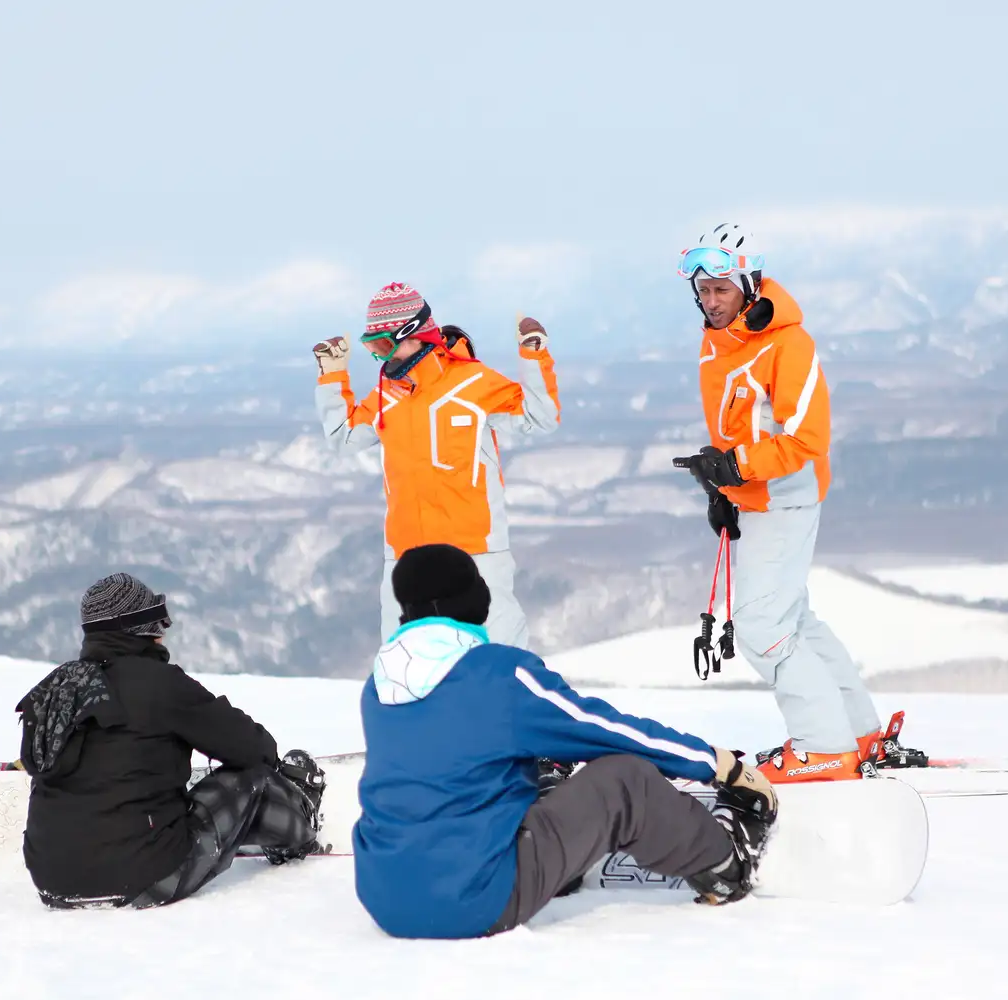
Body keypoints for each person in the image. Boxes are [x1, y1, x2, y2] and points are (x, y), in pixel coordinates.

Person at [352, 543, 777, 939]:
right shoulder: (499, 674)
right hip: (475, 903)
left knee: (530, 780)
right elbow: (603, 730)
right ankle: (724, 865)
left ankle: (559, 870)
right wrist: (714, 763)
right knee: (624, 781)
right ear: (464, 602)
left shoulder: (378, 686)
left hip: (383, 899)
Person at [672, 223, 926, 782]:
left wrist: (736, 468)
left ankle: (823, 747)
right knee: (795, 620)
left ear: (748, 284)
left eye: (722, 288)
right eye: (703, 289)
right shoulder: (721, 341)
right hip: (756, 499)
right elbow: (743, 428)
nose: (711, 301)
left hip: (785, 496)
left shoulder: (787, 344)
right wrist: (724, 486)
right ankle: (858, 735)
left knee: (763, 627)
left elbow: (807, 439)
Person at [17, 572, 328, 909]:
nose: (163, 633)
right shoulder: (159, 684)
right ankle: (299, 827)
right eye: (158, 622)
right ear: (143, 629)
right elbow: (253, 749)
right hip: (141, 878)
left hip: (52, 883)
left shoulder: (58, 688)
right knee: (253, 781)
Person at [313, 281, 561, 647]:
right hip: (405, 556)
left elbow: (541, 416)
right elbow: (344, 436)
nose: (381, 357)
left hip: (474, 550)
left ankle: (505, 704)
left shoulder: (473, 382)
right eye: (373, 348)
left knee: (495, 656)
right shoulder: (388, 395)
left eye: (384, 345)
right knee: (405, 659)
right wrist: (332, 374)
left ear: (412, 333)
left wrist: (533, 355)